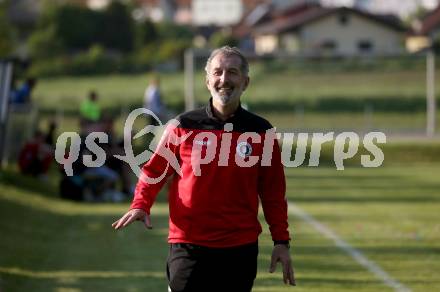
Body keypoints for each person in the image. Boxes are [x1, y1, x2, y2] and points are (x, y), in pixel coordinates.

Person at [112, 46, 295, 291]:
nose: (224, 79)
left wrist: (281, 241)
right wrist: (141, 204)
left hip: (239, 248)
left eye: (232, 72)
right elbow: (155, 170)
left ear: (245, 82)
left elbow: (273, 193)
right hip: (188, 245)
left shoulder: (261, 131)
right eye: (217, 72)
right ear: (207, 80)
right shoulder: (182, 125)